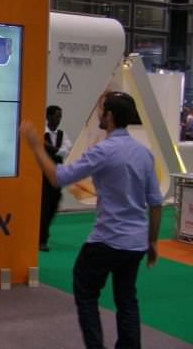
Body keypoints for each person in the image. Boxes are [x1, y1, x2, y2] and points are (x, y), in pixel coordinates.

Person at [21, 91, 163, 349]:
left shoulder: (103, 151)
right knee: (127, 300)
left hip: (107, 239)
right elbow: (155, 202)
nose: (98, 112)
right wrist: (152, 241)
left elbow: (57, 177)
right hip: (135, 243)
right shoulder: (144, 153)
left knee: (85, 291)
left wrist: (35, 145)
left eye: (101, 109)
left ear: (109, 116)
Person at [39, 105, 72, 251]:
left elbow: (66, 151)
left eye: (60, 116)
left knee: (53, 206)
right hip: (41, 177)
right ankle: (42, 239)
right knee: (44, 209)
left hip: (57, 176)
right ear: (48, 116)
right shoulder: (41, 133)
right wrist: (56, 150)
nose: (59, 119)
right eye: (56, 116)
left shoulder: (62, 135)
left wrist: (50, 148)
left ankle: (42, 235)